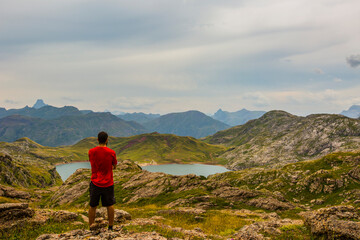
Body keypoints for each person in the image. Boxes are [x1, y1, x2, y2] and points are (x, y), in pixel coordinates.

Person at [88, 131, 117, 230]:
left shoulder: (91, 151)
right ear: (107, 139)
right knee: (110, 205)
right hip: (108, 183)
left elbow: (92, 161)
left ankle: (91, 226)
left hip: (95, 182)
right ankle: (110, 226)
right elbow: (114, 165)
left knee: (93, 206)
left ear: (97, 140)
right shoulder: (111, 152)